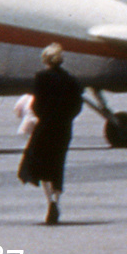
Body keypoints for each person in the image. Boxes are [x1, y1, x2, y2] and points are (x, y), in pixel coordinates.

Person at [17, 43, 83, 225]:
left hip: (45, 127)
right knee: (57, 165)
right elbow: (77, 107)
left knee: (41, 164)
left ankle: (50, 201)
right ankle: (57, 199)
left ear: (45, 59)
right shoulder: (72, 81)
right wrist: (66, 118)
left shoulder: (41, 78)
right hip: (63, 128)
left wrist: (43, 116)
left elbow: (36, 104)